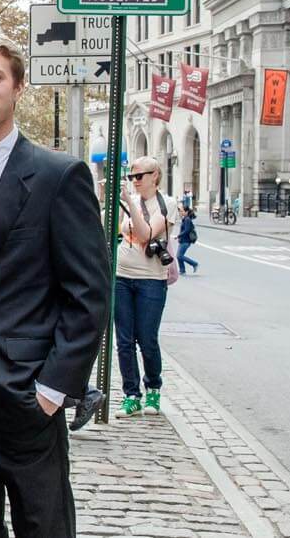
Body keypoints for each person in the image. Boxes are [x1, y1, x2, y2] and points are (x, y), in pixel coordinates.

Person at [0, 33, 109, 538]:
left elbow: (89, 294)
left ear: (18, 87)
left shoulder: (59, 176)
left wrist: (51, 391)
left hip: (25, 403)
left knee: (45, 528)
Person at [112, 156, 178, 418]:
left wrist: (130, 203)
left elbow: (146, 234)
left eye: (139, 176)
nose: (134, 181)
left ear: (155, 176)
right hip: (122, 276)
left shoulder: (167, 204)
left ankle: (153, 388)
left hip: (151, 279)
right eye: (131, 176)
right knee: (124, 341)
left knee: (147, 339)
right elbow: (111, 229)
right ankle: (131, 395)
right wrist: (109, 200)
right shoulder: (127, 201)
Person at [178, 205, 200, 274]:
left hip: (186, 241)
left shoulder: (187, 219)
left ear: (186, 212)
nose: (180, 212)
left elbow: (187, 230)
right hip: (182, 240)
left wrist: (179, 235)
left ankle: (194, 264)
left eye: (182, 211)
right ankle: (182, 270)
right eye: (180, 211)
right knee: (179, 256)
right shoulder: (185, 219)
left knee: (179, 256)